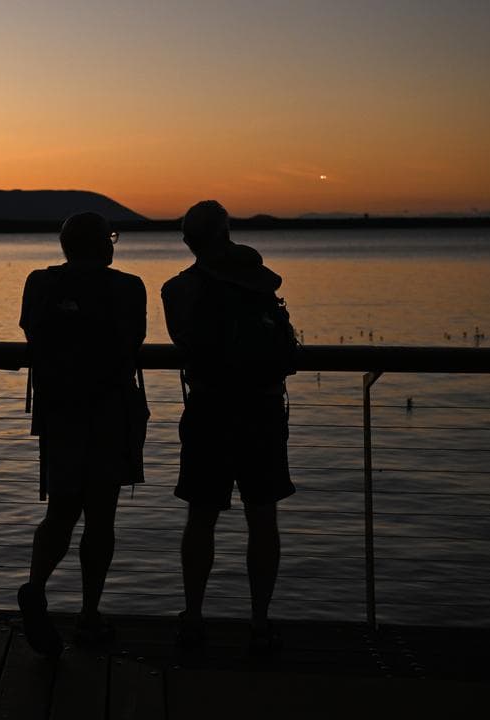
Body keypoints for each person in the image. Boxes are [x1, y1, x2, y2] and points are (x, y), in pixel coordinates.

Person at [161, 200, 296, 653]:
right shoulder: (261, 279)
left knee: (201, 517)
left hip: (210, 410)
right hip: (262, 409)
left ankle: (194, 616)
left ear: (187, 241)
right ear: (227, 232)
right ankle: (260, 620)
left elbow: (184, 341)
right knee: (263, 517)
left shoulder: (179, 289)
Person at [17, 212, 147, 657]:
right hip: (111, 412)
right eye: (111, 238)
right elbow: (133, 342)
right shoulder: (129, 287)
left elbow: (30, 331)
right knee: (101, 518)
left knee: (61, 511)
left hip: (60, 413)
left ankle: (36, 586)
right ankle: (89, 616)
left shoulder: (38, 283)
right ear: (103, 246)